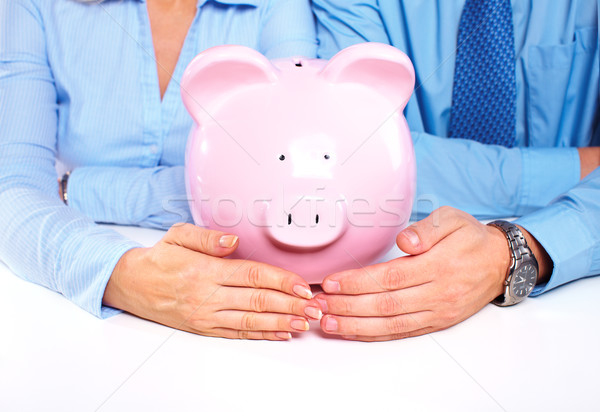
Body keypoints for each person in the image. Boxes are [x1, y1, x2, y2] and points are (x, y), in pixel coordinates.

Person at [0, 0, 324, 340]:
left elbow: (288, 183)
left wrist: (78, 189)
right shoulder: (33, 6)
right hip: (83, 328)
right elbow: (11, 190)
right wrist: (124, 274)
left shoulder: (276, 6)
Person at [311, 0, 600, 341]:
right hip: (400, 278)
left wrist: (510, 252)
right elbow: (351, 150)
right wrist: (580, 166)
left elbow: (384, 155)